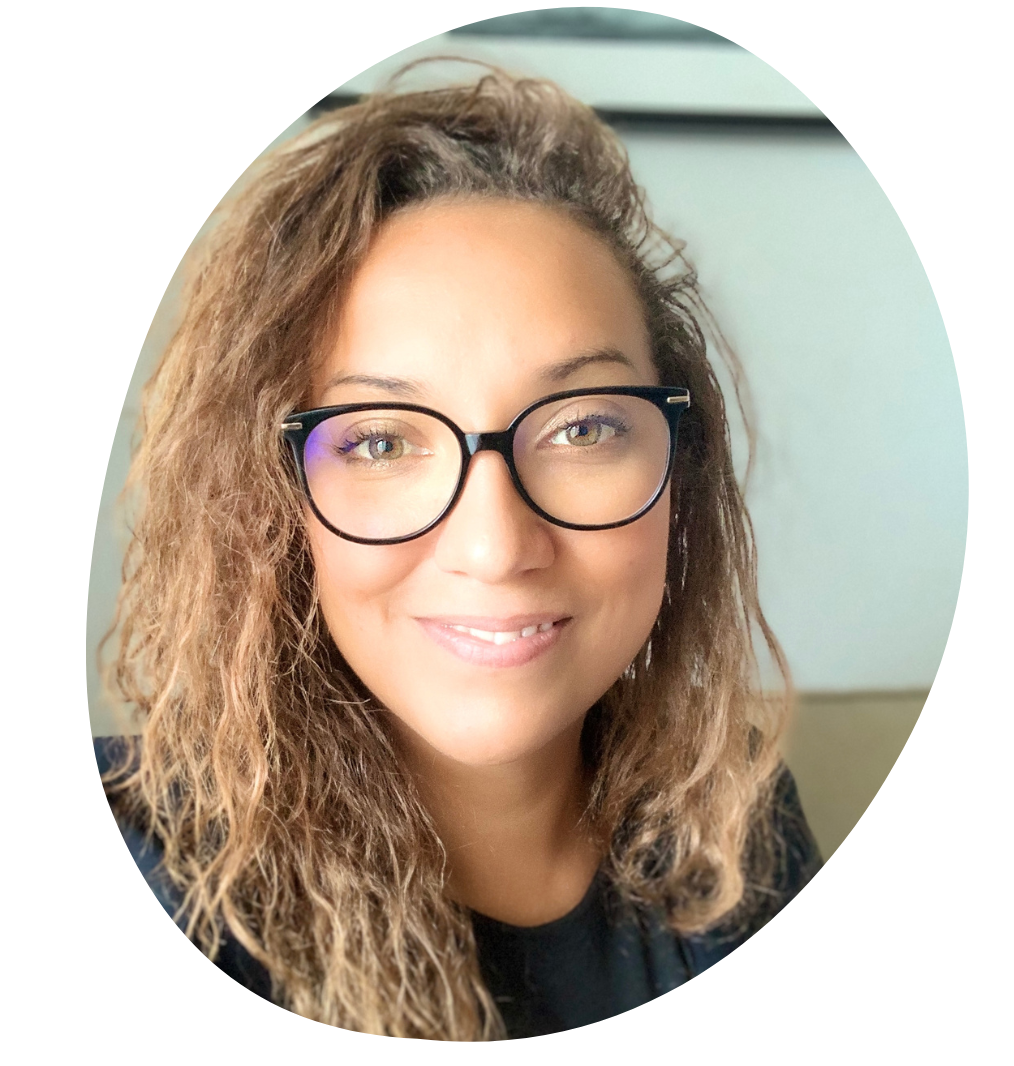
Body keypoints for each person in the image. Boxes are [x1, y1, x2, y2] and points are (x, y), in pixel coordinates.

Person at [96, 65, 822, 1040]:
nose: (494, 546)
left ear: (679, 470)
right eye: (379, 442)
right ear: (273, 502)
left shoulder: (736, 819)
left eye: (582, 428)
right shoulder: (159, 864)